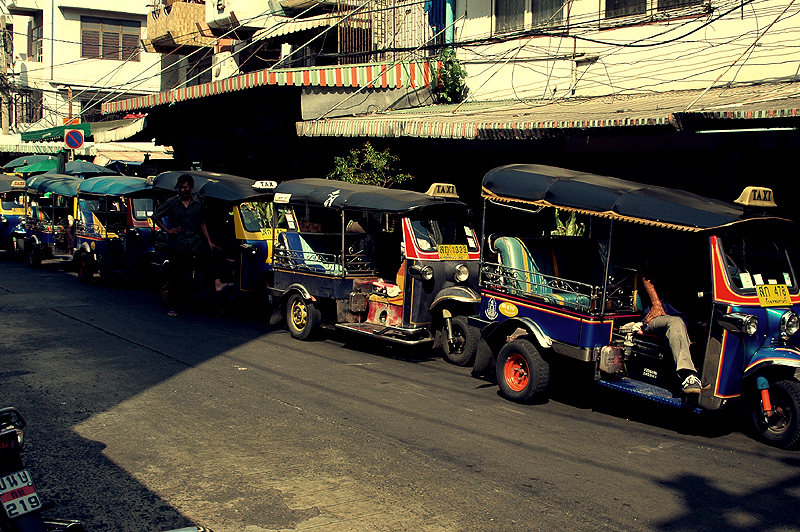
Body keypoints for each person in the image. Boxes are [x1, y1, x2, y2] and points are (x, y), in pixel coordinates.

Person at [150, 174, 230, 317]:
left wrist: (209, 241)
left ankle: (217, 285)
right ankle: (174, 307)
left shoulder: (197, 203)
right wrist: (168, 230)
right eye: (180, 187)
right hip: (177, 244)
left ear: (191, 188)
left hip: (194, 242)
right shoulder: (172, 202)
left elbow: (202, 223)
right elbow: (155, 216)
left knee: (215, 254)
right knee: (176, 276)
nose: (182, 190)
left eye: (185, 187)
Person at [639, 264, 702, 394]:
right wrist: (656, 304)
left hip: (685, 321)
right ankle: (687, 374)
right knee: (675, 323)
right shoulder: (660, 266)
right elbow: (645, 273)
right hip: (658, 318)